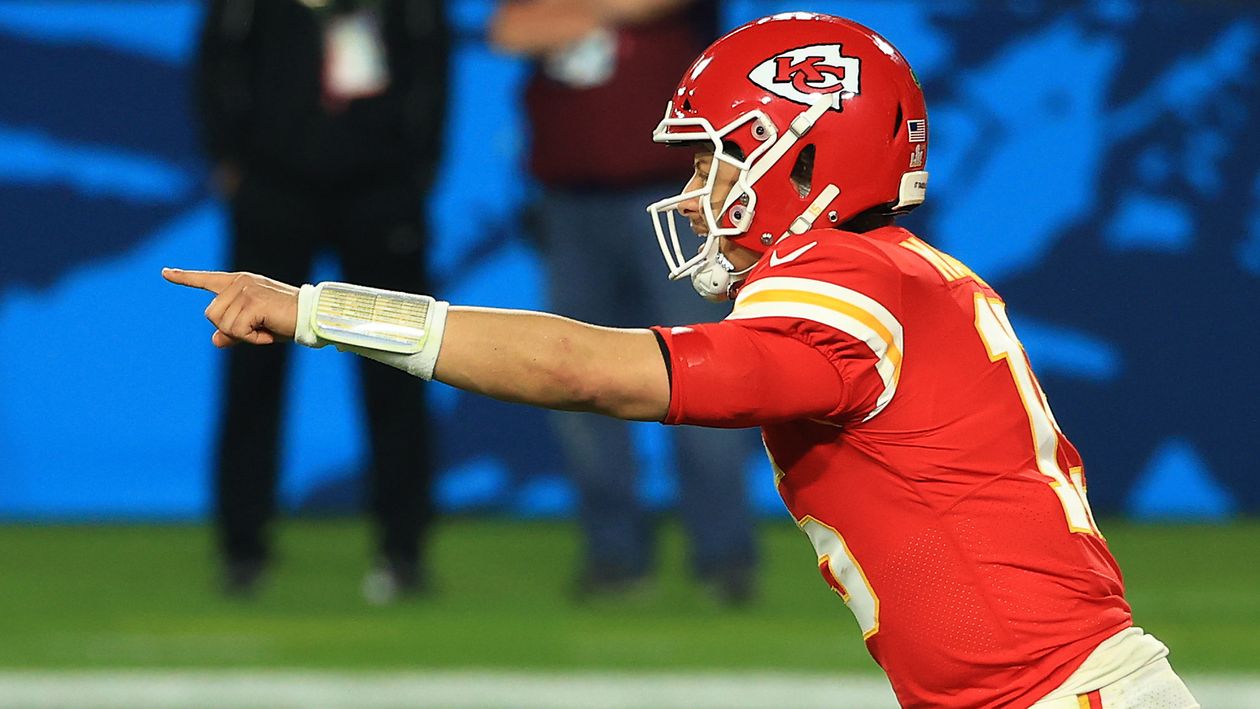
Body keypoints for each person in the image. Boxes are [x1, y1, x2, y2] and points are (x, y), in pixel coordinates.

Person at [167, 12, 1199, 708]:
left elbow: (587, 370)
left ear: (801, 150)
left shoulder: (846, 279)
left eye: (714, 154)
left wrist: (320, 310)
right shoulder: (894, 272)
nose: (698, 187)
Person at [487, 0, 758, 603]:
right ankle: (615, 554)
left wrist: (573, 11)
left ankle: (724, 555)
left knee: (706, 376)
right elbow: (509, 31)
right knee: (572, 382)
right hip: (569, 200)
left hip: (677, 199)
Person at [192, 0, 448, 601]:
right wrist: (229, 158)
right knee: (250, 362)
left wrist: (418, 165)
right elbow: (216, 60)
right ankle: (242, 548)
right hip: (274, 186)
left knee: (401, 359)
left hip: (379, 190)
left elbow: (431, 63)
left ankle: (402, 549)